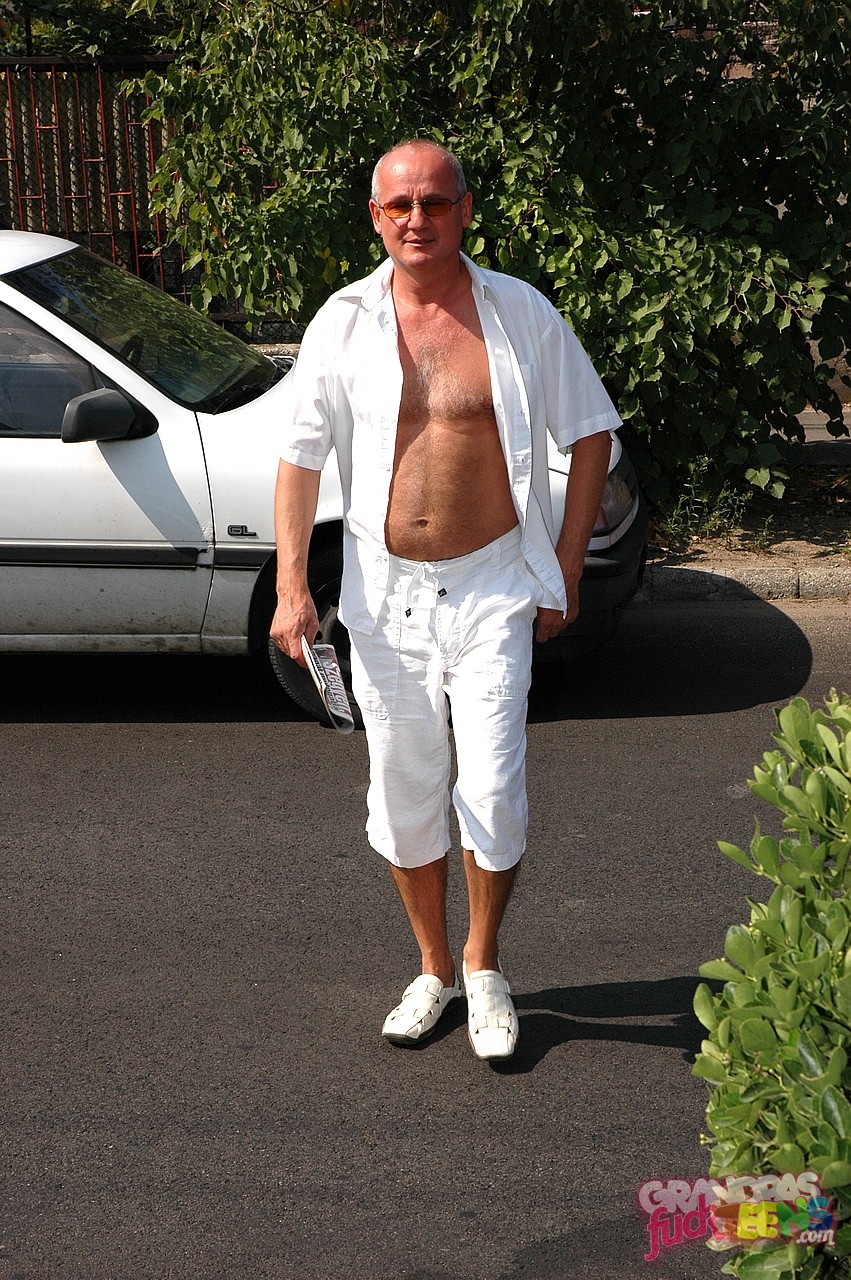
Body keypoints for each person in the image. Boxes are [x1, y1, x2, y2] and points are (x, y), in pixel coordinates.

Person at [270, 139, 620, 1061]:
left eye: (433, 202)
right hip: (383, 594)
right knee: (403, 788)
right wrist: (294, 586)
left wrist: (565, 566)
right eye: (399, 206)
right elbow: (299, 457)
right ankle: (432, 970)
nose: (416, 220)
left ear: (464, 210)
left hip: (493, 583)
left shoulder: (518, 313)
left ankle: (484, 963)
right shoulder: (341, 322)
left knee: (493, 786)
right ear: (375, 218)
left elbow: (591, 432)